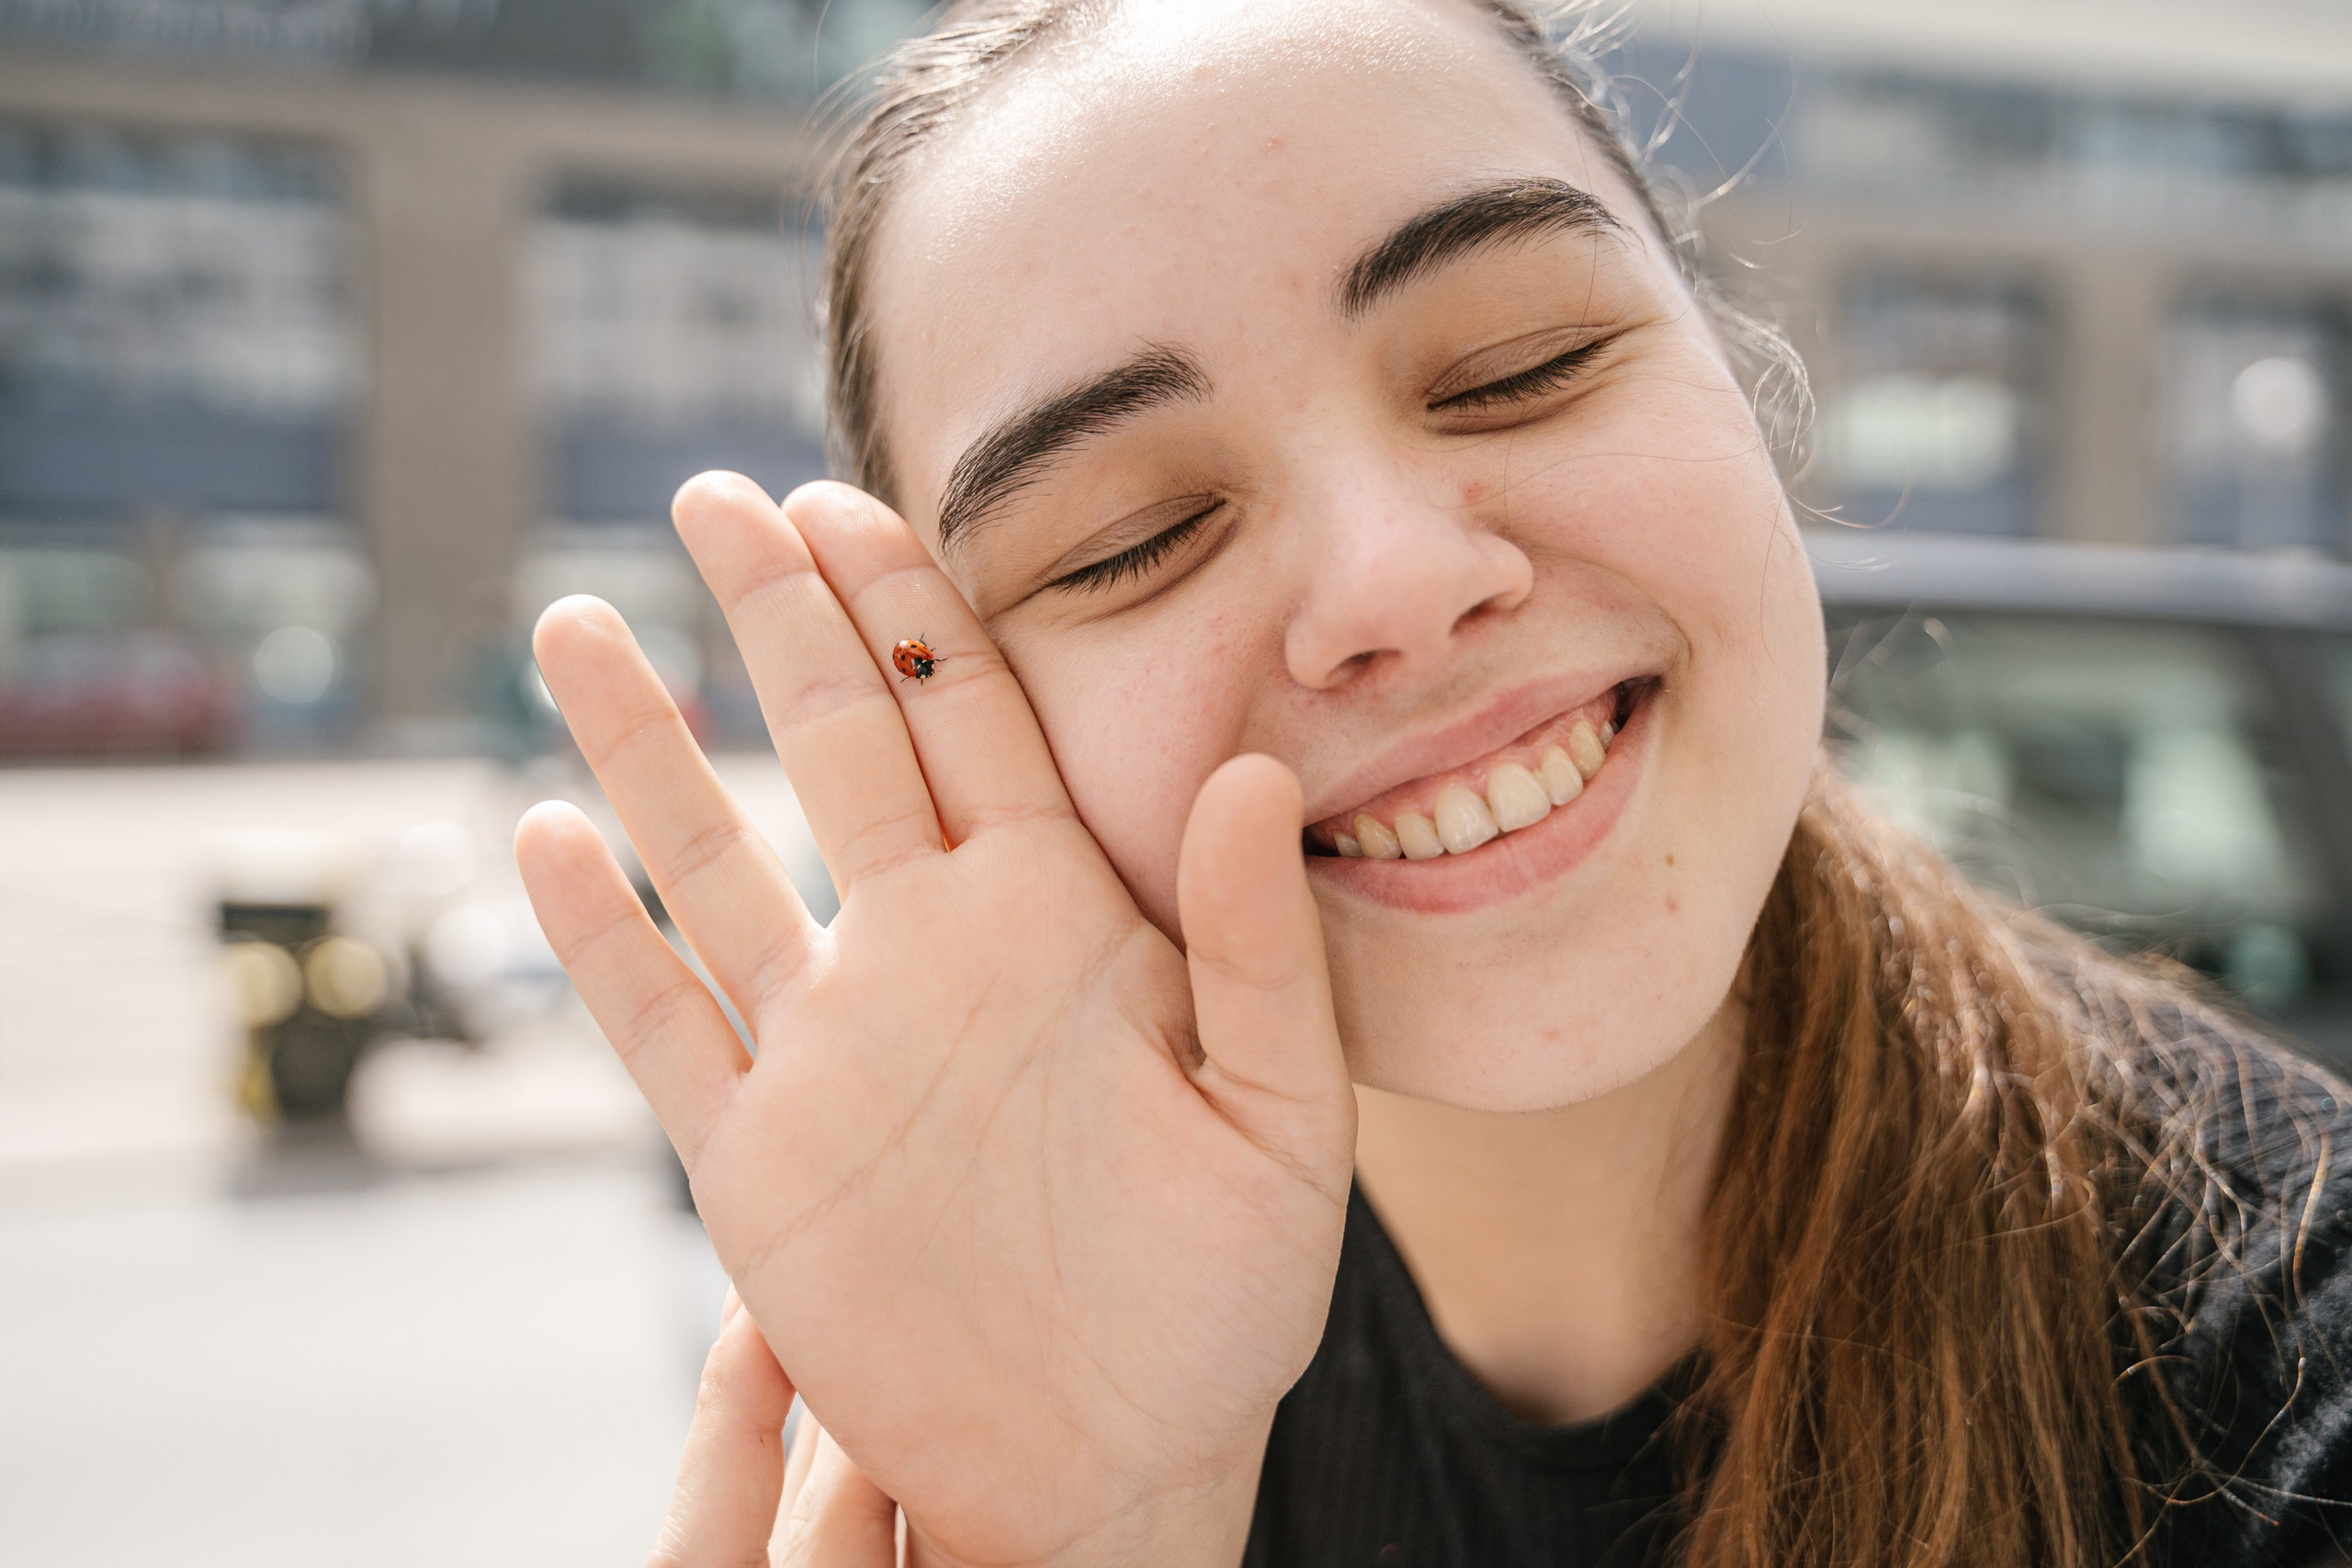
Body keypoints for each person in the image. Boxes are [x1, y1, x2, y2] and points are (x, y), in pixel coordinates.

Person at [513, 1, 2352, 1563]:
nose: (1396, 579)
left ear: (1738, 379)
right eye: (1131, 540)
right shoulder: (1025, 1371)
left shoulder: (2289, 1348)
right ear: (960, 715)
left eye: (1516, 366)